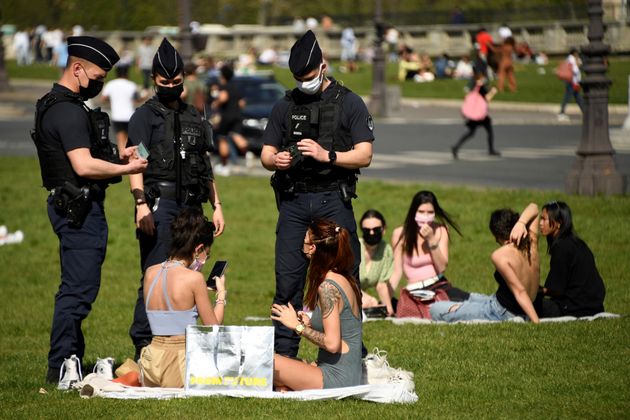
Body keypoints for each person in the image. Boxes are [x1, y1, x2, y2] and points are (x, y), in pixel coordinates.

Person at [31, 36, 148, 385]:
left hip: (75, 206)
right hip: (78, 209)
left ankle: (71, 359)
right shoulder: (66, 111)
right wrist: (127, 170)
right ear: (77, 68)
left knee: (77, 286)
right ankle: (61, 366)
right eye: (98, 75)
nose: (101, 83)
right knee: (78, 290)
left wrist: (118, 157)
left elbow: (90, 157)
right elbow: (82, 166)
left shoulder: (64, 105)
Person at [260, 30, 373, 358]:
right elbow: (266, 153)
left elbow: (364, 154)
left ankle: (353, 353)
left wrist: (329, 156)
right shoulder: (285, 105)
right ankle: (283, 358)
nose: (304, 83)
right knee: (288, 280)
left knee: (345, 276)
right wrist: (277, 160)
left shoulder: (348, 102)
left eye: (308, 77)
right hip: (294, 203)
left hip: (331, 199)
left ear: (323, 66)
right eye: (298, 78)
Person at [127, 38, 225, 360]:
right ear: (154, 79)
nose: (171, 86)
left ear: (183, 77)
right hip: (160, 203)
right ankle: (145, 345)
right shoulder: (145, 116)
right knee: (155, 273)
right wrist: (141, 203)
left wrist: (217, 205)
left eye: (176, 81)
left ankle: (187, 343)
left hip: (193, 205)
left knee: (191, 271)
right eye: (164, 81)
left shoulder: (194, 115)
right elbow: (135, 162)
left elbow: (205, 165)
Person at [139, 207, 226, 388]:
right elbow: (213, 330)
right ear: (198, 248)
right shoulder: (194, 279)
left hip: (150, 364)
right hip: (179, 365)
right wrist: (221, 297)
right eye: (206, 255)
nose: (205, 260)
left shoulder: (150, 272)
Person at [271, 220, 362, 390]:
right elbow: (340, 328)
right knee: (278, 362)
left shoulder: (327, 287)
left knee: (267, 363)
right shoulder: (344, 278)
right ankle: (284, 388)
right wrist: (310, 323)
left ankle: (284, 388)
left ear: (312, 248)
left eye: (305, 238)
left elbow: (332, 344)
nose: (302, 242)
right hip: (344, 374)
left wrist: (297, 326)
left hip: (337, 378)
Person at [430, 203, 541, 323]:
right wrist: (522, 223)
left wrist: (535, 322)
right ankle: (464, 304)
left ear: (497, 235)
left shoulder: (500, 255)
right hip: (504, 303)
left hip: (500, 312)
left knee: (435, 309)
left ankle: (461, 308)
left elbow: (520, 291)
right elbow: (534, 207)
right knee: (472, 298)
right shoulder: (531, 243)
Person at [390, 191, 469, 305]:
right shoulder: (400, 234)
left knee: (472, 300)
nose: (425, 216)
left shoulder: (441, 230)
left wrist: (431, 239)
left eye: (430, 212)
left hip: (439, 285)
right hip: (416, 291)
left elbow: (442, 266)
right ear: (414, 212)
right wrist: (387, 300)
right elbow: (396, 271)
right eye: (421, 212)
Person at [538, 201, 605, 317]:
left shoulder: (562, 247)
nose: (540, 223)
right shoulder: (576, 243)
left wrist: (538, 291)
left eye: (544, 219)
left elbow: (557, 290)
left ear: (558, 223)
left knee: (528, 302)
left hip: (575, 308)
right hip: (594, 306)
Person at [451, 72, 500, 159]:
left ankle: (456, 147)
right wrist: (493, 92)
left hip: (473, 115)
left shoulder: (474, 87)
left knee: (471, 132)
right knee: (489, 130)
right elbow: (486, 99)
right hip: (480, 115)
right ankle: (491, 150)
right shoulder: (481, 88)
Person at [211, 64, 249, 175]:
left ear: (222, 75)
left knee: (222, 138)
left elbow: (223, 97)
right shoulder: (236, 86)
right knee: (237, 135)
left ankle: (224, 166)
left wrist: (216, 103)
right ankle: (248, 154)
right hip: (237, 115)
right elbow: (242, 103)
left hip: (226, 115)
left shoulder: (224, 86)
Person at [358, 210, 395, 316]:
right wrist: (362, 295)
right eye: (367, 230)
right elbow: (344, 280)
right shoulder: (353, 247)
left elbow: (381, 284)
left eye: (376, 229)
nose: (371, 233)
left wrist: (388, 309)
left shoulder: (386, 250)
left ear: (383, 229)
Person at [101, 65, 140, 154]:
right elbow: (137, 99)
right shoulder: (131, 85)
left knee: (120, 138)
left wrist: (112, 99)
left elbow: (103, 98)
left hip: (117, 115)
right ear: (126, 74)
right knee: (130, 139)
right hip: (130, 115)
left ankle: (122, 157)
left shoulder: (111, 84)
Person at [557, 48, 584, 122]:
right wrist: (579, 65)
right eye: (577, 53)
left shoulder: (569, 59)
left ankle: (585, 111)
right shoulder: (572, 59)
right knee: (568, 97)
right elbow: (575, 70)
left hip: (572, 82)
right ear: (574, 53)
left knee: (578, 97)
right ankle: (561, 113)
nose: (578, 54)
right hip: (572, 82)